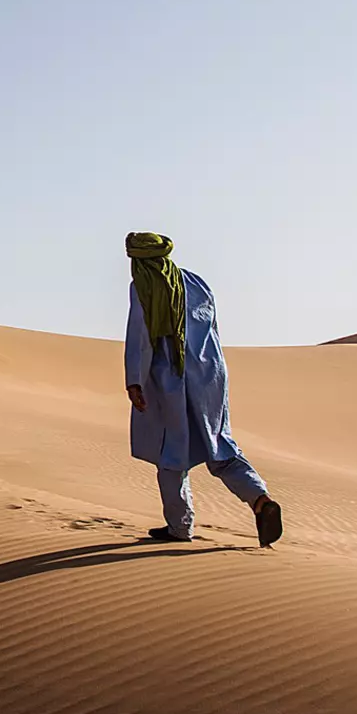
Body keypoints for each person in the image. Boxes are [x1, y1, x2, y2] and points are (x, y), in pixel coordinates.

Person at [123, 232, 283, 546]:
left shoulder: (143, 287)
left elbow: (140, 339)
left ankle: (180, 528)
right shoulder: (196, 283)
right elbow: (213, 331)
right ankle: (260, 499)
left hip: (169, 376)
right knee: (220, 446)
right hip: (210, 374)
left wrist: (135, 381)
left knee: (171, 453)